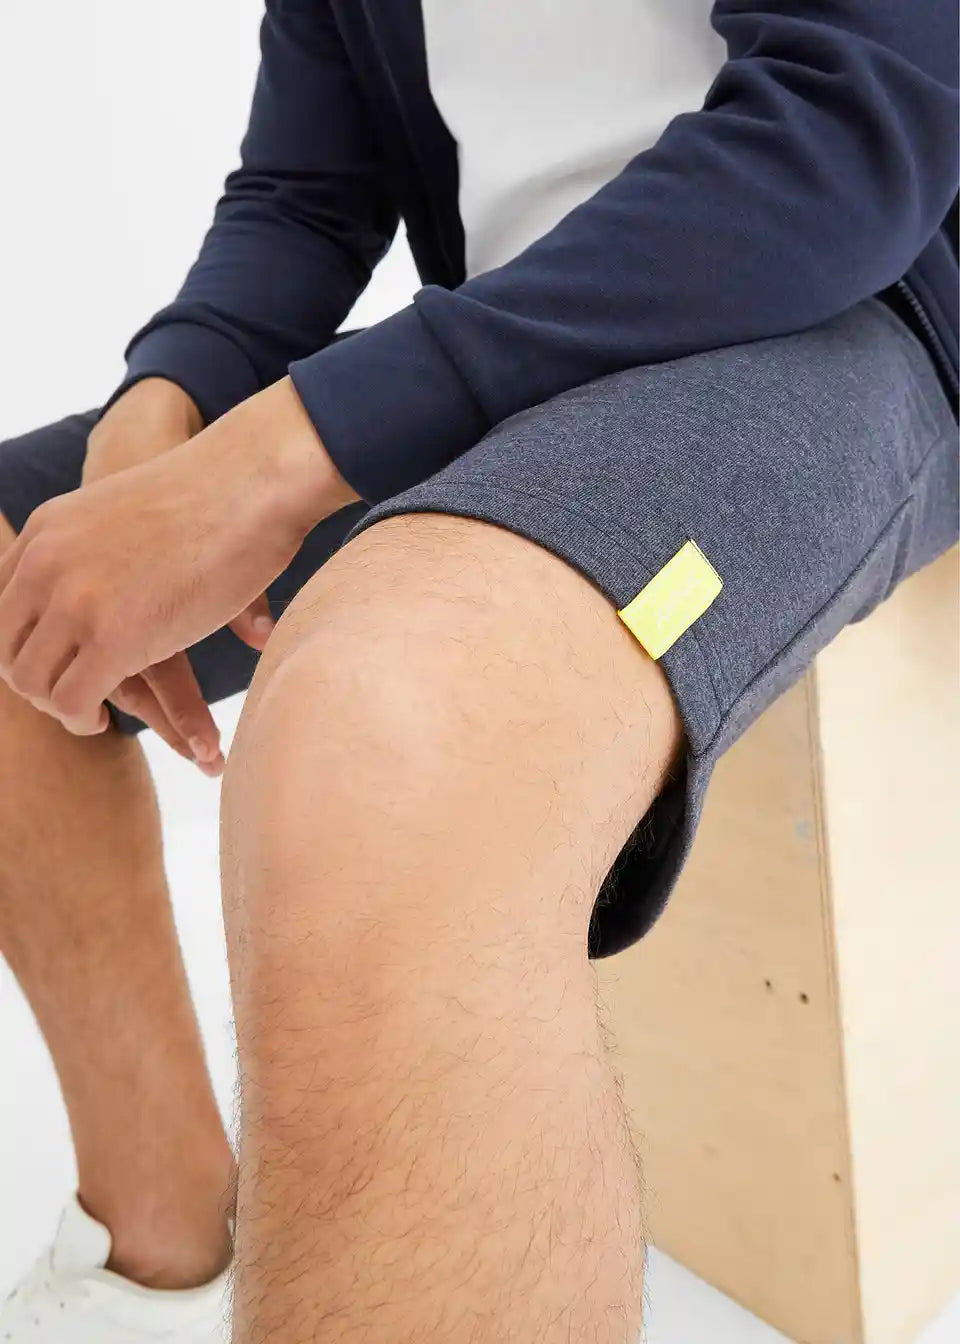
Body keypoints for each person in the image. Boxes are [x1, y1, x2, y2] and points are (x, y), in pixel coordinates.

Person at [0, 1, 957, 1340]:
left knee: (392, 722)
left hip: (835, 319)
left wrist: (269, 463)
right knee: (23, 571)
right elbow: (307, 189)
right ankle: (158, 1242)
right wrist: (164, 408)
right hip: (515, 335)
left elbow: (853, 126)